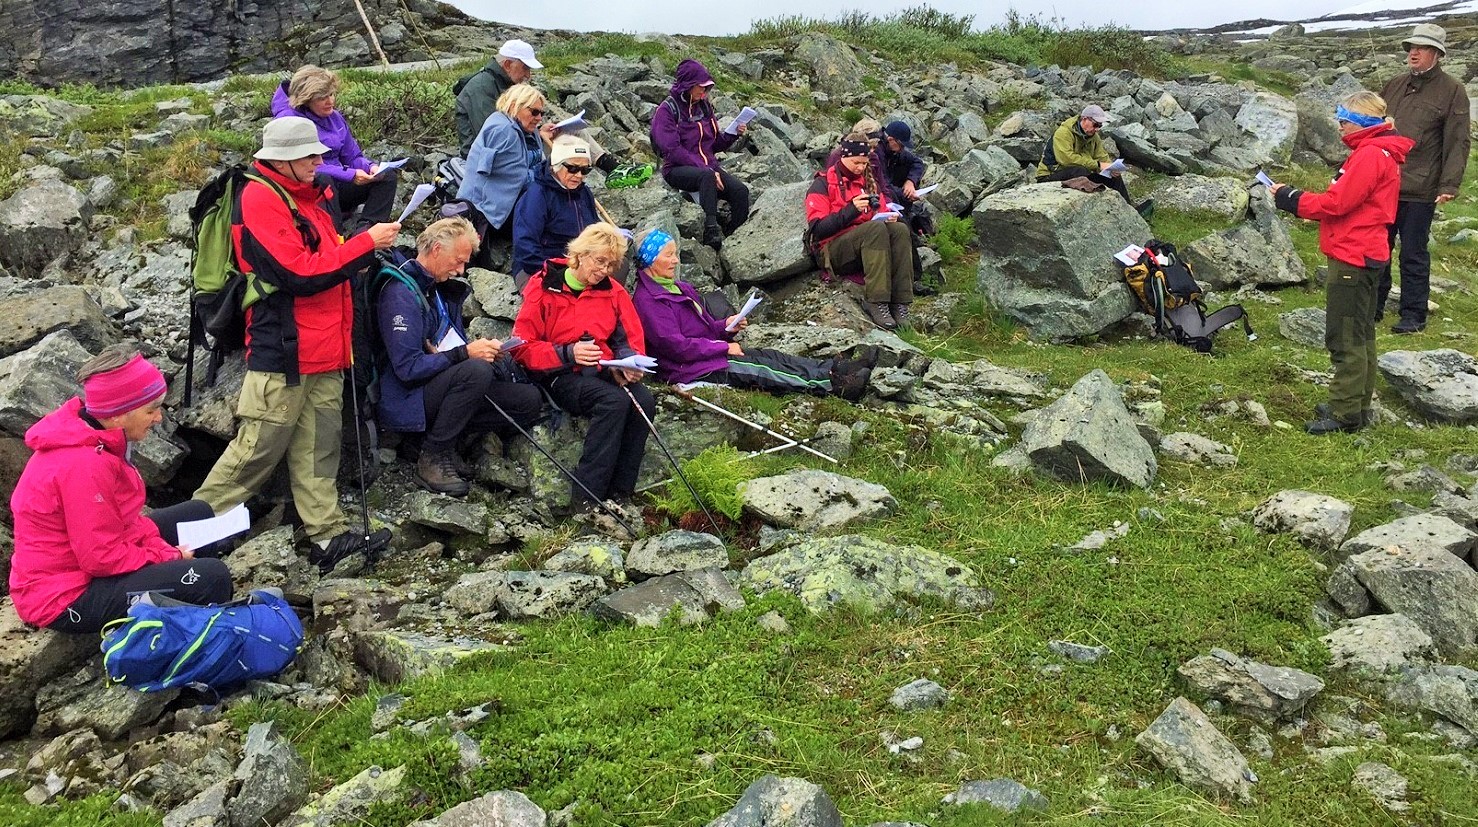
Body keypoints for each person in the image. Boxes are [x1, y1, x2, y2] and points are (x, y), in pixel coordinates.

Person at [193, 117, 400, 570]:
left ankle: (327, 537)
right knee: (256, 450)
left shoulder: (310, 195)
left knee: (318, 447)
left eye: (319, 154)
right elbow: (297, 274)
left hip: (326, 347)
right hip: (282, 348)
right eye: (310, 156)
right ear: (281, 160)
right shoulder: (260, 199)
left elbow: (325, 259)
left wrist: (353, 252)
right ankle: (192, 537)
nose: (319, 162)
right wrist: (362, 246)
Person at [8, 347, 233, 632]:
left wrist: (159, 549)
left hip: (81, 563)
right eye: (150, 410)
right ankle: (194, 650)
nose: (158, 418)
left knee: (199, 513)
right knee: (213, 577)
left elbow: (118, 524)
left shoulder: (94, 436)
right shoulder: (84, 465)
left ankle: (186, 608)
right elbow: (99, 558)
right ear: (116, 415)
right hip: (65, 597)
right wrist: (169, 556)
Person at [1269, 92, 1412, 435]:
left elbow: (1337, 203)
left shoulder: (1369, 156)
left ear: (1363, 121)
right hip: (1368, 251)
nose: (1340, 126)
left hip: (1353, 255)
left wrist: (1290, 198)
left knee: (1345, 336)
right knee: (1362, 334)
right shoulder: (1381, 152)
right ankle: (1356, 403)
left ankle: (1344, 412)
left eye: (1345, 120)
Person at [376, 217, 543, 497]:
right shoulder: (400, 293)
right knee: (475, 372)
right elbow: (407, 368)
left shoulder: (436, 288)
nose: (461, 270)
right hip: (405, 397)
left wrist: (476, 351)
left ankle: (434, 440)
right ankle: (432, 455)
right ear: (437, 249)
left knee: (528, 400)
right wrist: (464, 353)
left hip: (435, 385)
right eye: (458, 260)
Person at [630, 230, 874, 400]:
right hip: (689, 369)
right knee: (762, 370)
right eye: (668, 255)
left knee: (770, 356)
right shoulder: (649, 301)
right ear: (650, 260)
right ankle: (834, 385)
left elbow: (702, 327)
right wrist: (723, 348)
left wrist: (725, 327)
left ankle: (836, 368)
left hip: (705, 356)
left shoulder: (678, 288)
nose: (675, 261)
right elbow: (676, 347)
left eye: (676, 254)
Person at [511, 224, 653, 508]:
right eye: (600, 261)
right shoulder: (543, 285)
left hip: (601, 368)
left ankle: (620, 491)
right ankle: (587, 497)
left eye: (611, 264)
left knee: (644, 401)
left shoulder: (613, 292)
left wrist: (626, 364)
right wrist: (567, 353)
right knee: (612, 402)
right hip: (557, 374)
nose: (604, 270)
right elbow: (521, 347)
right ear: (580, 254)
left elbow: (628, 338)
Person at [1378, 23, 1471, 334]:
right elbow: (1371, 130)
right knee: (1378, 248)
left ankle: (1413, 315)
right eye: (1411, 47)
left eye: (1422, 47)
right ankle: (1373, 308)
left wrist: (1449, 185)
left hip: (1421, 189)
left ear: (1437, 54)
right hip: (1382, 185)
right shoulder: (1392, 84)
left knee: (1414, 254)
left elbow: (1458, 141)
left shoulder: (1453, 90)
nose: (1413, 52)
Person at [454, 38, 621, 175]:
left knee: (576, 130)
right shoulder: (481, 88)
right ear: (507, 64)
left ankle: (613, 168)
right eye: (525, 68)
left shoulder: (502, 83)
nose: (528, 75)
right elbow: (494, 139)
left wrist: (538, 131)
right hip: (497, 162)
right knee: (570, 137)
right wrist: (538, 135)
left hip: (515, 148)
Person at [805, 135, 914, 331]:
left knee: (898, 230)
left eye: (864, 163)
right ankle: (877, 300)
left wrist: (888, 216)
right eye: (856, 162)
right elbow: (818, 230)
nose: (860, 168)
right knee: (874, 229)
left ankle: (901, 302)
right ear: (843, 157)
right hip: (832, 250)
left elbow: (880, 212)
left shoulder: (868, 182)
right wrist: (851, 210)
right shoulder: (821, 184)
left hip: (865, 245)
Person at [272, 65, 398, 231]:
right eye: (322, 97)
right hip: (311, 190)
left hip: (340, 184)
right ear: (306, 99)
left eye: (331, 94)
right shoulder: (289, 121)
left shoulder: (335, 117)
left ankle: (367, 230)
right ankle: (334, 236)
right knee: (324, 180)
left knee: (387, 176)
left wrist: (370, 167)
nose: (330, 101)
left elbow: (352, 156)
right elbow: (306, 168)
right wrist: (349, 175)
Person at [651, 59, 750, 250]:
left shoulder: (704, 106)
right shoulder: (666, 110)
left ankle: (735, 237)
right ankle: (710, 230)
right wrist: (707, 170)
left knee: (740, 191)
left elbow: (713, 144)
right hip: (677, 169)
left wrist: (733, 134)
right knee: (706, 177)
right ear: (688, 84)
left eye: (707, 86)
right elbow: (671, 150)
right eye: (700, 86)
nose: (704, 91)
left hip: (708, 167)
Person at [458, 84, 552, 268]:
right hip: (486, 211)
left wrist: (540, 136)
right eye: (534, 112)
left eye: (541, 113)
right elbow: (519, 178)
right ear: (515, 105)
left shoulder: (510, 123)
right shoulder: (504, 131)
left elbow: (527, 162)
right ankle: (533, 266)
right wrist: (556, 172)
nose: (539, 118)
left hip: (500, 204)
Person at [512, 135, 600, 286]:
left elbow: (594, 232)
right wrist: (556, 273)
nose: (579, 175)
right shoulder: (537, 195)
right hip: (539, 267)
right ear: (556, 165)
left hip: (578, 266)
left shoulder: (584, 193)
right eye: (573, 168)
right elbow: (525, 246)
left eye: (585, 170)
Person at [1037, 104, 1153, 217]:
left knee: (1112, 177)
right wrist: (1097, 165)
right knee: (1080, 171)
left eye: (1100, 125)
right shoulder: (1063, 133)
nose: (1097, 129)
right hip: (1050, 176)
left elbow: (1101, 156)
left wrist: (1110, 167)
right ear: (1085, 119)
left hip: (1079, 172)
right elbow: (1066, 160)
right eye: (1095, 124)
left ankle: (1130, 212)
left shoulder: (1093, 137)